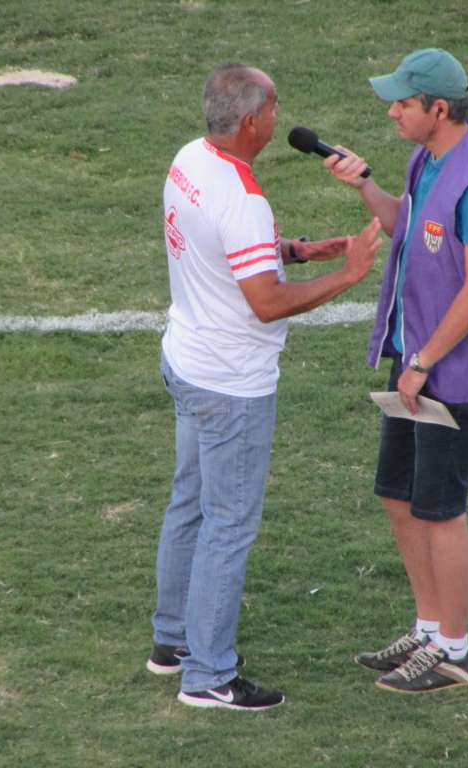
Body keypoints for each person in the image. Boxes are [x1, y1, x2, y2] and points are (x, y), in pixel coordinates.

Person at [148, 63, 383, 711]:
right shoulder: (244, 200)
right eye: (275, 108)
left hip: (187, 360)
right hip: (231, 385)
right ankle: (208, 675)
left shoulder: (189, 159)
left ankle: (173, 642)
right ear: (251, 121)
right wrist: (349, 274)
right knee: (227, 527)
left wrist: (297, 252)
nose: (280, 118)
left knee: (189, 505)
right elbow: (266, 304)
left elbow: (220, 249)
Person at [322, 48, 468, 694]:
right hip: (417, 362)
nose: (392, 112)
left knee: (439, 509)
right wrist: (364, 186)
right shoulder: (427, 158)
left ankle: (454, 653)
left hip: (452, 373)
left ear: (439, 109)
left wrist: (425, 362)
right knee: (398, 495)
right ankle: (429, 627)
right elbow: (407, 228)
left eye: (404, 103)